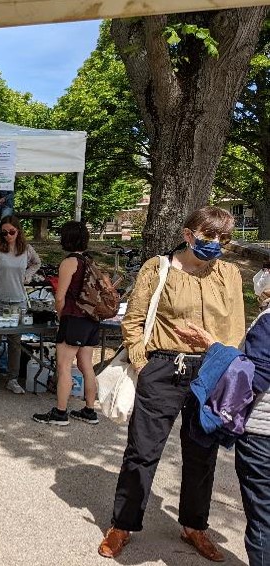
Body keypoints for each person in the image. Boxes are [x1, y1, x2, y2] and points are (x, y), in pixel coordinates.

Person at [98, 206, 245, 562]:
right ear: (188, 235)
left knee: (202, 453)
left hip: (210, 369)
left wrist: (225, 364)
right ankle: (123, 524)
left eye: (224, 238)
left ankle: (194, 526)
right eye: (210, 236)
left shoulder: (229, 273)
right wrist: (141, 363)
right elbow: (133, 320)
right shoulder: (158, 267)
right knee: (143, 450)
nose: (217, 244)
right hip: (163, 366)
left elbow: (236, 327)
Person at [173, 267, 270, 566]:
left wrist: (212, 346)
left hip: (263, 436)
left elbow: (250, 379)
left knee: (263, 519)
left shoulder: (268, 323)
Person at [33, 221, 100, 426]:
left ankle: (60, 412)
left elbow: (60, 297)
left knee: (63, 366)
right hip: (91, 319)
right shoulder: (90, 261)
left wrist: (61, 315)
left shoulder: (69, 262)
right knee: (86, 366)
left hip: (74, 317)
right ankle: (90, 410)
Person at [0, 215, 41, 395]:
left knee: (15, 342)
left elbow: (37, 263)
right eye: (4, 233)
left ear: (18, 231)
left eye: (12, 232)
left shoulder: (27, 249)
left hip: (18, 301)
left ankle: (12, 379)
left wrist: (27, 276)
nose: (8, 236)